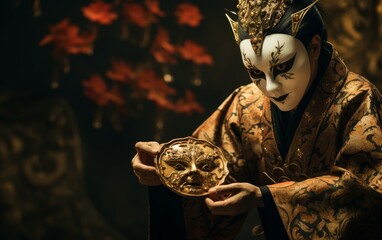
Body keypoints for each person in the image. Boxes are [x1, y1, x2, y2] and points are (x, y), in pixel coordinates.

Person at [132, 0, 382, 239]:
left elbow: (366, 192)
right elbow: (210, 168)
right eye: (255, 72)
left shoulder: (357, 99)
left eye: (282, 68)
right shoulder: (246, 103)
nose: (271, 87)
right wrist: (165, 167)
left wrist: (266, 197)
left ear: (314, 47)